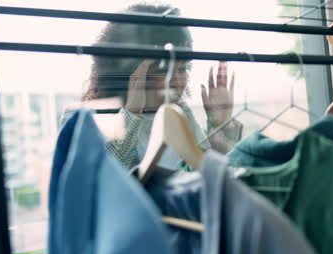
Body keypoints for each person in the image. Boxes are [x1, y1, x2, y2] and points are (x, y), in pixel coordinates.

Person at [63, 3, 243, 170]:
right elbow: (103, 182)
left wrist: (220, 125)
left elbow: (212, 181)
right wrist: (132, 112)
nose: (178, 80)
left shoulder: (180, 115)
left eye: (183, 68)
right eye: (163, 69)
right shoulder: (82, 119)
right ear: (132, 70)